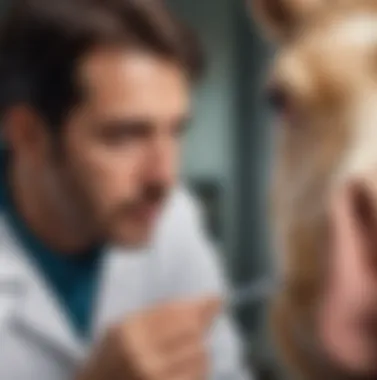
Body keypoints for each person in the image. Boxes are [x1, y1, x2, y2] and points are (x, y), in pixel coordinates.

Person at [0, 0, 250, 379]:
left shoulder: (172, 219)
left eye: (176, 130)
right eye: (125, 135)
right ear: (28, 135)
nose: (164, 178)